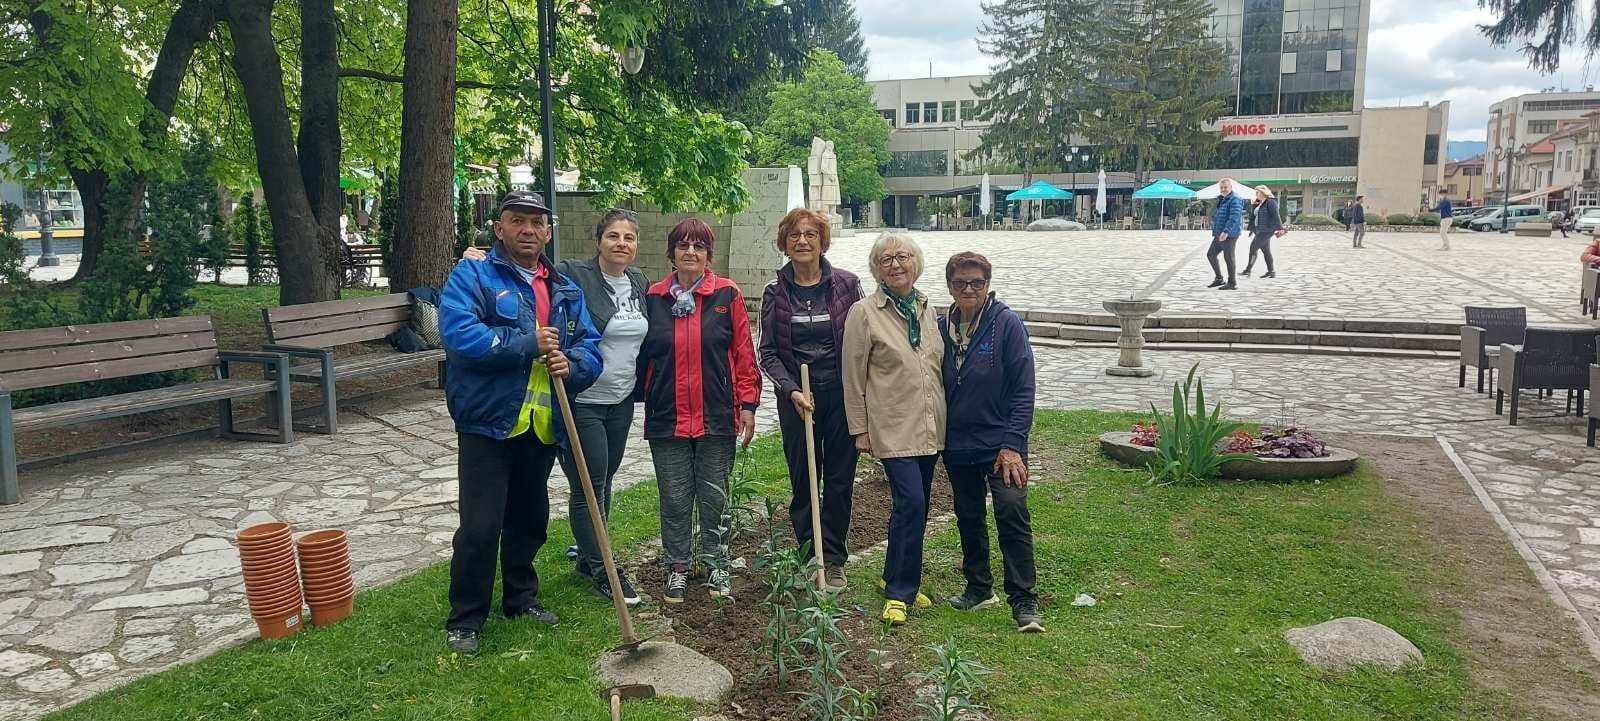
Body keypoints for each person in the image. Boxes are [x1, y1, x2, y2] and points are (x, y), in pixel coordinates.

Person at [438, 190, 604, 656]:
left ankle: (520, 599)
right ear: (500, 228)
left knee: (529, 521)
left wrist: (575, 366)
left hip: (543, 422)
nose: (528, 230)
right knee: (480, 526)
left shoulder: (565, 288)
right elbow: (457, 334)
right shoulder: (473, 275)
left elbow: (590, 346)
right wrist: (526, 342)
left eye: (536, 223)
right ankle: (467, 617)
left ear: (548, 231)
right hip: (489, 424)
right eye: (517, 221)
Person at [465, 209, 651, 606]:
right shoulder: (574, 275)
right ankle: (603, 568)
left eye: (629, 238)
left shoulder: (638, 282)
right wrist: (478, 256)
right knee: (588, 486)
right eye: (613, 236)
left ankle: (586, 558)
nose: (621, 243)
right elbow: (527, 265)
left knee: (603, 482)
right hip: (580, 400)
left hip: (620, 399)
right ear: (598, 241)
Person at [638, 218, 760, 604]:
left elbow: (743, 353)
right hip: (667, 416)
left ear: (709, 254)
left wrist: (747, 404)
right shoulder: (654, 297)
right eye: (682, 245)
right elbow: (639, 354)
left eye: (699, 246)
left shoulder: (727, 295)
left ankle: (716, 561)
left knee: (714, 495)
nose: (690, 252)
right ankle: (677, 565)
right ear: (671, 252)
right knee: (674, 496)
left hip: (715, 415)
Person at [842, 232, 947, 626]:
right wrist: (859, 429)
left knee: (915, 508)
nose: (896, 264)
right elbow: (852, 376)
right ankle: (899, 593)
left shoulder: (925, 307)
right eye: (886, 260)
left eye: (902, 257)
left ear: (915, 263)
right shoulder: (864, 312)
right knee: (912, 504)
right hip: (891, 425)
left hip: (929, 424)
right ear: (877, 269)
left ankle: (898, 574)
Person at [759, 208, 864, 591]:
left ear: (822, 242)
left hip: (839, 395)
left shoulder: (848, 286)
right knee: (804, 480)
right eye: (794, 235)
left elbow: (861, 340)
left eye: (810, 235)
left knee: (839, 479)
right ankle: (809, 552)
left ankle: (833, 558)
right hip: (797, 398)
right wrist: (791, 390)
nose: (802, 241)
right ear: (785, 243)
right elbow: (767, 352)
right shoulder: (775, 293)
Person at [937, 252, 1042, 633]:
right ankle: (979, 587)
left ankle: (1024, 600)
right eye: (960, 282)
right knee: (968, 516)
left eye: (976, 282)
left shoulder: (1006, 324)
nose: (968, 289)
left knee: (1011, 512)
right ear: (949, 286)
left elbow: (1023, 388)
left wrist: (1013, 444)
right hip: (957, 443)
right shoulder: (940, 326)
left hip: (1001, 445)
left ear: (987, 284)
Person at [1206, 178, 1246, 290]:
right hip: (1219, 233)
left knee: (1229, 258)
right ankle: (1219, 279)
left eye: (1225, 187)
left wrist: (1226, 231)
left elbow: (1234, 217)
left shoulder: (1235, 199)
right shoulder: (1223, 199)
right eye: (1221, 188)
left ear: (1231, 188)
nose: (1223, 189)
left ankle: (1232, 283)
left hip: (1229, 234)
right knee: (1211, 254)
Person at [1242, 185, 1282, 278]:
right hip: (1259, 230)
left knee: (1253, 248)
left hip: (1267, 230)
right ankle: (1271, 271)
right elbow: (1254, 216)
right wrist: (1252, 229)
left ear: (1264, 192)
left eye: (1258, 192)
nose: (1256, 194)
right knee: (1266, 251)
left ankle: (1248, 270)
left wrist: (1280, 228)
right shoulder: (1260, 203)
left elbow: (1276, 215)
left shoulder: (1271, 202)